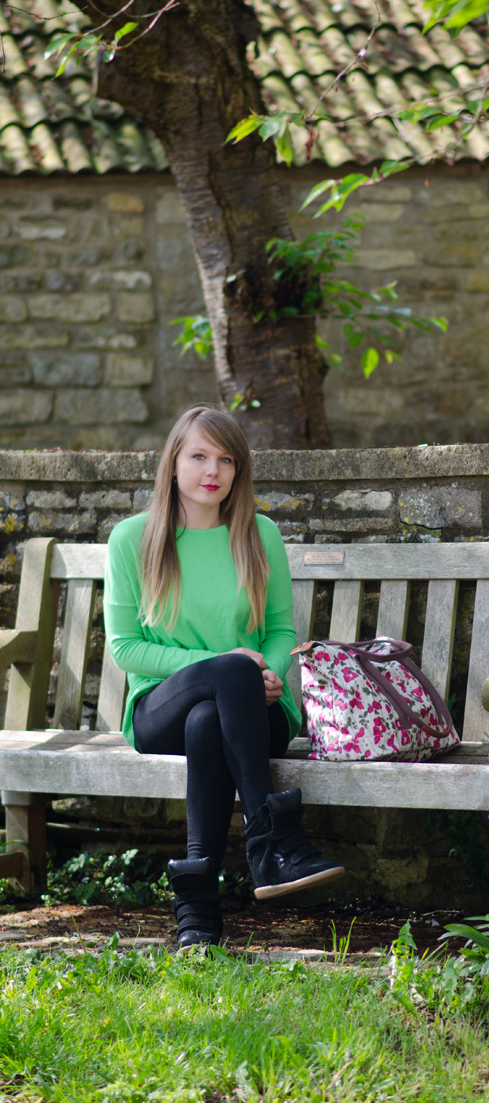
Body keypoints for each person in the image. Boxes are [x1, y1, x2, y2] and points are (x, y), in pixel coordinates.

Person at [103, 404, 344, 949]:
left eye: (226, 459)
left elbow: (282, 630)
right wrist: (228, 663)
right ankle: (274, 844)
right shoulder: (132, 540)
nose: (213, 470)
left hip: (255, 709)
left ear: (238, 471)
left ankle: (197, 916)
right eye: (198, 456)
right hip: (158, 707)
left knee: (210, 720)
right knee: (217, 687)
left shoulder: (258, 534)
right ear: (172, 463)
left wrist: (270, 669)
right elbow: (125, 648)